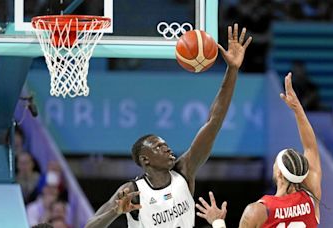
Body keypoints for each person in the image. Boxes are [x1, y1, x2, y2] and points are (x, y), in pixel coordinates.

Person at [84, 24, 252, 228]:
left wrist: (232, 69)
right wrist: (115, 211)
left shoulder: (184, 171)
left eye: (165, 144)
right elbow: (90, 226)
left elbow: (214, 121)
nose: (167, 148)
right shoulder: (133, 190)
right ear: (145, 159)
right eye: (158, 147)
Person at [196, 73, 321, 227]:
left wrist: (217, 221)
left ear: (279, 173)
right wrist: (297, 109)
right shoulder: (311, 198)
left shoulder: (258, 210)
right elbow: (310, 148)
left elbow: (310, 148)